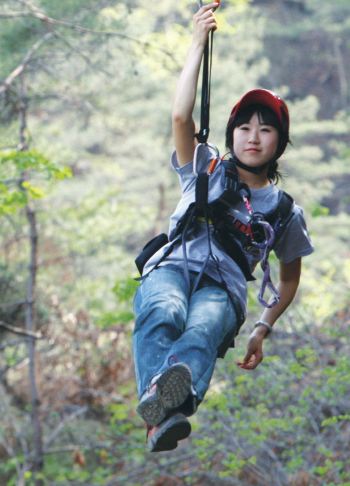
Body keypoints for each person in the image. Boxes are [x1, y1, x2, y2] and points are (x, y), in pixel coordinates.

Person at [132, 2, 314, 453]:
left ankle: (161, 410)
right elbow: (180, 118)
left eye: (266, 130)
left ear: (280, 142)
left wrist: (262, 326)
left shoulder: (285, 211)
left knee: (202, 330)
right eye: (245, 127)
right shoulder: (205, 167)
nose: (254, 136)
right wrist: (197, 40)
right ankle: (163, 410)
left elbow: (289, 278)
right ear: (231, 133)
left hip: (224, 287)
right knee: (164, 311)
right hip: (173, 265)